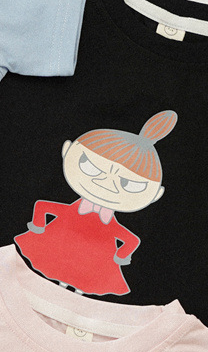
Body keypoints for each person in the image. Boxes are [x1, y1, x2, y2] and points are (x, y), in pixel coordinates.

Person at [14, 111, 177, 295]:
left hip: (88, 256)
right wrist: (121, 255)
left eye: (130, 185)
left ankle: (77, 292)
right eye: (90, 167)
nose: (106, 184)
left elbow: (43, 207)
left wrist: (38, 226)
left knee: (83, 280)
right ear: (67, 150)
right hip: (71, 248)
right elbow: (131, 240)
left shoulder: (105, 223)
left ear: (156, 195)